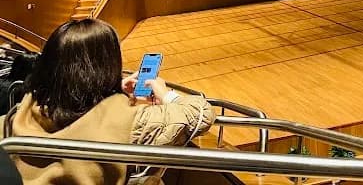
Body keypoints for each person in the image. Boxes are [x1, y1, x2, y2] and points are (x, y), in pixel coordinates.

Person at [1, 19, 215, 185]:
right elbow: (201, 113)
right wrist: (166, 95)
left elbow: (72, 98)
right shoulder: (130, 122)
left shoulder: (22, 111)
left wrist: (111, 87)